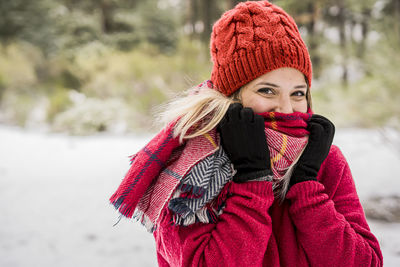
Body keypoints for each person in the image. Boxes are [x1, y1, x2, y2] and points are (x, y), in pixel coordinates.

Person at [110, 1, 383, 266]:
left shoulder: (322, 158)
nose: (287, 108)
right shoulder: (192, 165)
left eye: (298, 93)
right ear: (233, 96)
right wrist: (251, 182)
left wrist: (307, 189)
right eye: (267, 90)